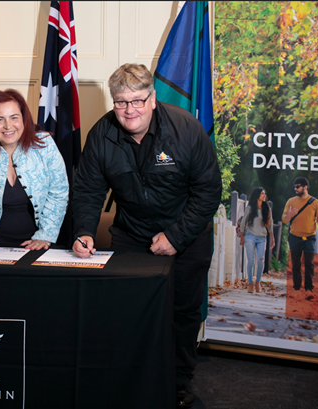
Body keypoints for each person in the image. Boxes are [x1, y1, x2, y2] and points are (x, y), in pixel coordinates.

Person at [71, 63, 221, 408]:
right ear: (114, 102)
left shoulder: (185, 129)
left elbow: (209, 191)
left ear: (153, 99)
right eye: (122, 102)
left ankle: (179, 382)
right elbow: (88, 191)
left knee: (182, 313)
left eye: (138, 101)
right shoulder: (101, 135)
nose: (130, 110)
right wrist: (83, 231)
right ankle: (131, 377)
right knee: (128, 310)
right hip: (132, 234)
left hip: (187, 234)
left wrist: (176, 236)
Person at [0, 89, 69, 252]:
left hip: (44, 243)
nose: (8, 126)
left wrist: (45, 235)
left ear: (24, 119)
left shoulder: (45, 145)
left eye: (14, 117)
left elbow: (59, 193)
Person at [281, 177, 318, 293]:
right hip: (294, 237)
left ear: (305, 187)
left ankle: (308, 288)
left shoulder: (315, 203)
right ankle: (297, 287)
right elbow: (284, 219)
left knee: (309, 263)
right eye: (295, 187)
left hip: (310, 238)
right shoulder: (291, 201)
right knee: (296, 264)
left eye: (298, 186)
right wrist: (290, 215)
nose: (295, 189)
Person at [239, 187, 275, 293]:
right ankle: (250, 284)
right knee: (250, 261)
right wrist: (242, 237)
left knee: (261, 260)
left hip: (262, 238)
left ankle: (258, 282)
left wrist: (272, 238)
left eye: (265, 193)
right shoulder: (250, 208)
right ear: (257, 195)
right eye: (262, 194)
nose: (264, 195)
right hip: (250, 236)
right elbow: (243, 223)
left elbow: (270, 224)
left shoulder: (267, 208)